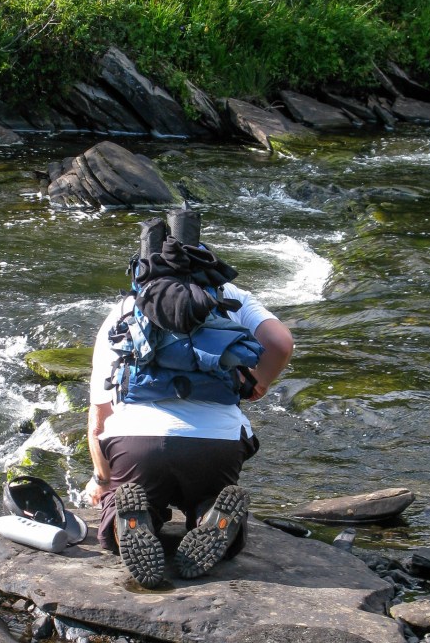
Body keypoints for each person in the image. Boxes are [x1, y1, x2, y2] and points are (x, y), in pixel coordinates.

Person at [85, 210, 294, 588]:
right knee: (211, 495)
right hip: (216, 447)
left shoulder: (125, 310)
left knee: (124, 501)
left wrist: (103, 481)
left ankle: (129, 518)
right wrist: (258, 383)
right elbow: (281, 342)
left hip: (137, 446)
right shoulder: (228, 296)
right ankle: (212, 514)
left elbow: (98, 418)